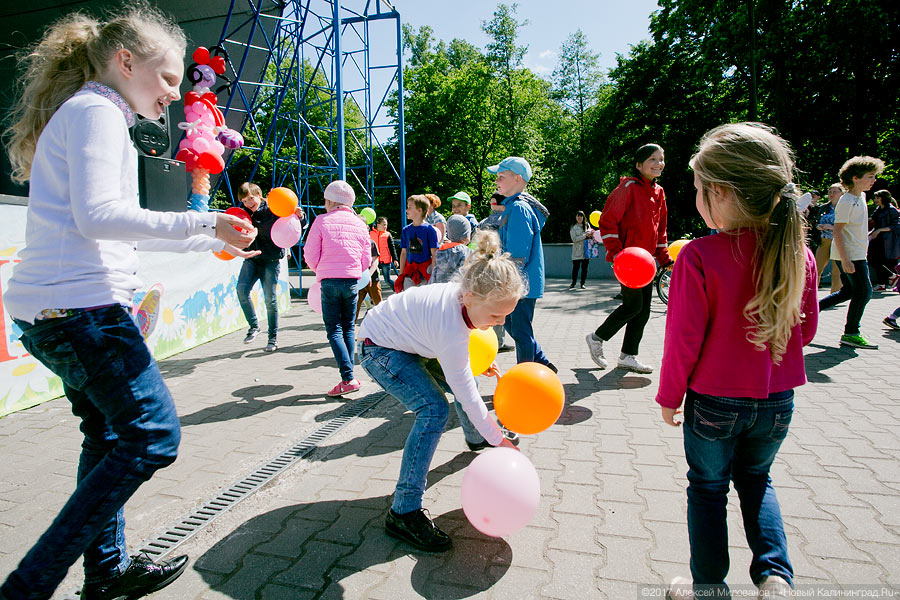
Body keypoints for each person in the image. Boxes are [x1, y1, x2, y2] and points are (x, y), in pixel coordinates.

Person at [0, 6, 259, 599]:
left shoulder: (95, 114)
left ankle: (107, 573)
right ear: (125, 62)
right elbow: (99, 218)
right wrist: (209, 222)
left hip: (61, 313)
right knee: (152, 435)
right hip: (80, 313)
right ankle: (26, 587)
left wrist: (207, 237)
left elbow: (113, 225)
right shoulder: (96, 111)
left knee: (109, 436)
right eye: (168, 78)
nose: (175, 92)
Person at [657, 122, 818, 599]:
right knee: (757, 480)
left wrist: (668, 397)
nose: (698, 200)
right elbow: (804, 331)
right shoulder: (798, 252)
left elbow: (683, 341)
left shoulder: (699, 256)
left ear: (722, 193)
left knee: (707, 490)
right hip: (776, 402)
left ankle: (709, 589)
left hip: (713, 404)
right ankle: (774, 577)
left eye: (700, 191)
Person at [357, 230, 520, 552]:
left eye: (506, 315)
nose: (499, 324)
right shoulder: (451, 324)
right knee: (434, 410)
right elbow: (465, 392)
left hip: (412, 344)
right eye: (495, 315)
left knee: (467, 380)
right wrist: (498, 438)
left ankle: (474, 437)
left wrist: (473, 364)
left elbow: (458, 356)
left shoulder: (466, 299)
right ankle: (403, 511)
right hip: (379, 348)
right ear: (470, 297)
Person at [587, 144, 671, 374]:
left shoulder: (659, 192)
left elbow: (660, 228)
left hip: (648, 264)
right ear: (639, 165)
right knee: (633, 306)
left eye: (661, 159)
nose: (658, 163)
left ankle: (628, 356)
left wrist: (664, 257)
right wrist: (617, 254)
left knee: (642, 310)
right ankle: (597, 338)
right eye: (652, 159)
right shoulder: (628, 187)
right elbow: (607, 220)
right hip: (628, 262)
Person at [303, 180, 371, 396]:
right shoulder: (360, 224)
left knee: (334, 329)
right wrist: (355, 271)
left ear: (331, 200)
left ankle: (348, 378)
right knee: (349, 327)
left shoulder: (321, 221)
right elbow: (366, 258)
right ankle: (349, 374)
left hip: (329, 281)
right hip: (351, 280)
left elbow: (310, 253)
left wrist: (319, 270)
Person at [488, 156, 555, 371]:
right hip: (519, 282)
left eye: (501, 177)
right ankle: (543, 364)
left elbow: (517, 253)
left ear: (517, 179)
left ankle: (525, 375)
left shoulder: (518, 208)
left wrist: (508, 285)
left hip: (520, 285)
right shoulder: (513, 206)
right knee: (514, 327)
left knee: (520, 331)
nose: (497, 181)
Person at [818, 155, 886, 349]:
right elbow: (838, 230)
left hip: (856, 253)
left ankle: (808, 311)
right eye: (870, 176)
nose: (874, 181)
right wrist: (846, 260)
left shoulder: (861, 197)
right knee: (864, 292)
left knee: (848, 291)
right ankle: (851, 333)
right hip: (850, 255)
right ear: (855, 178)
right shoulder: (846, 200)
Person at [236, 182, 301, 353]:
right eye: (244, 201)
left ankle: (272, 338)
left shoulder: (273, 208)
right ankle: (254, 326)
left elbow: (294, 224)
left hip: (271, 260)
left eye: (251, 198)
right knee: (241, 291)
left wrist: (300, 216)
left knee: (270, 300)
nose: (248, 203)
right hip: (252, 258)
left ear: (259, 194)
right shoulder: (243, 214)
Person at [478, 193, 514, 352]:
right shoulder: (506, 221)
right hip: (500, 269)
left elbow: (473, 246)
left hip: (482, 267)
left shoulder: (482, 223)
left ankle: (482, 338)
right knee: (499, 305)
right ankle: (497, 342)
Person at [395, 194, 439, 292]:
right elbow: (403, 253)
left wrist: (432, 273)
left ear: (420, 210)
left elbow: (434, 253)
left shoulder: (429, 230)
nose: (407, 210)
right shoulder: (406, 230)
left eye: (410, 207)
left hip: (424, 273)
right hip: (409, 272)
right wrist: (401, 274)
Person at [867, 189, 900, 291]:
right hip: (877, 239)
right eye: (875, 197)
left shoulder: (892, 210)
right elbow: (876, 224)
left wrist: (880, 230)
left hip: (887, 240)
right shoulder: (878, 209)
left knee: (881, 260)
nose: (875, 199)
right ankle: (890, 277)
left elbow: (896, 226)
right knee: (872, 259)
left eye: (878, 197)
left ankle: (883, 282)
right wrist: (872, 232)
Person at [815, 183, 844, 293]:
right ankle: (812, 295)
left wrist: (832, 227)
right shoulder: (823, 207)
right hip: (824, 240)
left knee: (837, 270)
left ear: (842, 193)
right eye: (830, 192)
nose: (832, 194)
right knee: (817, 268)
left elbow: (848, 224)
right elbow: (815, 221)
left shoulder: (844, 207)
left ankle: (835, 294)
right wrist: (818, 226)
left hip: (838, 240)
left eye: (835, 192)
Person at [430, 214, 473, 284]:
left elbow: (433, 276)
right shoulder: (467, 252)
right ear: (465, 234)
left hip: (440, 291)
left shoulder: (440, 251)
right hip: (457, 292)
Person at [355, 229, 382, 321]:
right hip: (357, 279)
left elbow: (375, 261)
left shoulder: (371, 243)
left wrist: (368, 275)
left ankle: (383, 324)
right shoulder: (353, 243)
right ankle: (350, 327)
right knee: (354, 305)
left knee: (378, 303)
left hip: (372, 279)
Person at [370, 216, 399, 287]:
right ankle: (374, 295)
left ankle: (398, 291)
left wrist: (395, 259)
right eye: (384, 224)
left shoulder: (388, 234)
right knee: (372, 280)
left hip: (385, 261)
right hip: (374, 260)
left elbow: (392, 248)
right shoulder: (370, 233)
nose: (385, 226)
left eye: (386, 224)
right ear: (378, 224)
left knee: (387, 280)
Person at [569, 210, 592, 289]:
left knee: (585, 269)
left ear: (583, 217)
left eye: (581, 216)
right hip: (577, 251)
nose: (579, 217)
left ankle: (582, 283)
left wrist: (591, 234)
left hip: (586, 250)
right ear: (575, 217)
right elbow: (574, 239)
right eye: (578, 216)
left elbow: (590, 235)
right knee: (576, 268)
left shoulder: (586, 225)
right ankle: (573, 283)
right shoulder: (573, 227)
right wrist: (585, 236)